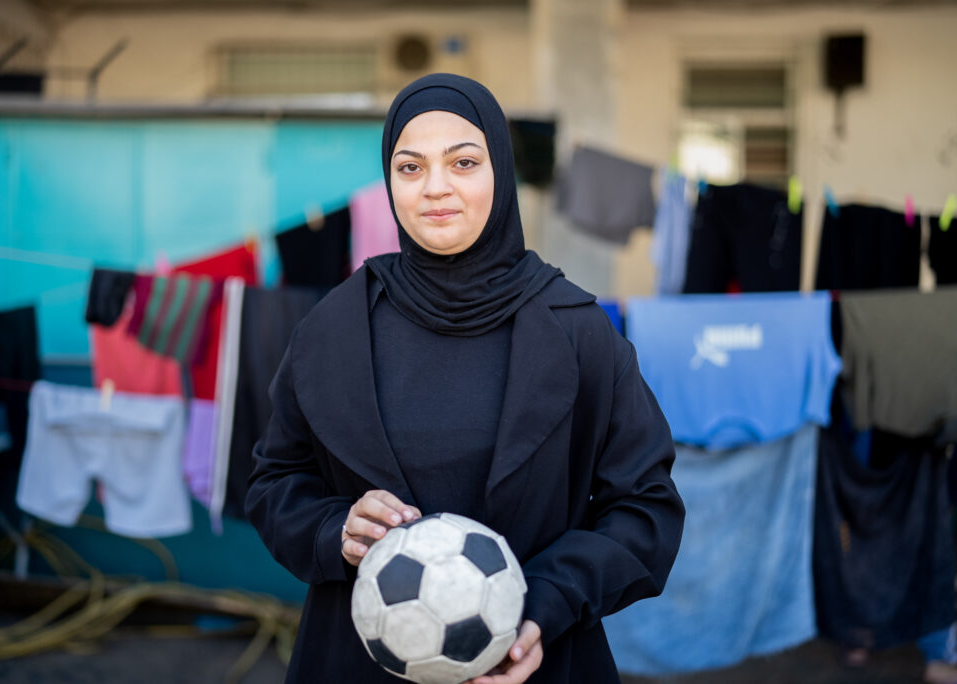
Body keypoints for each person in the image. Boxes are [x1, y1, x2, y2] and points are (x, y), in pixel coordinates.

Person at [245, 73, 685, 684]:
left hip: (536, 662)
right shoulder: (332, 329)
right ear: (389, 181)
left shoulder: (579, 332)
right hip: (354, 662)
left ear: (499, 172)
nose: (436, 188)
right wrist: (332, 529)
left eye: (464, 161)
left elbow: (645, 511)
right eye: (410, 167)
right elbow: (274, 482)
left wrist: (543, 605)